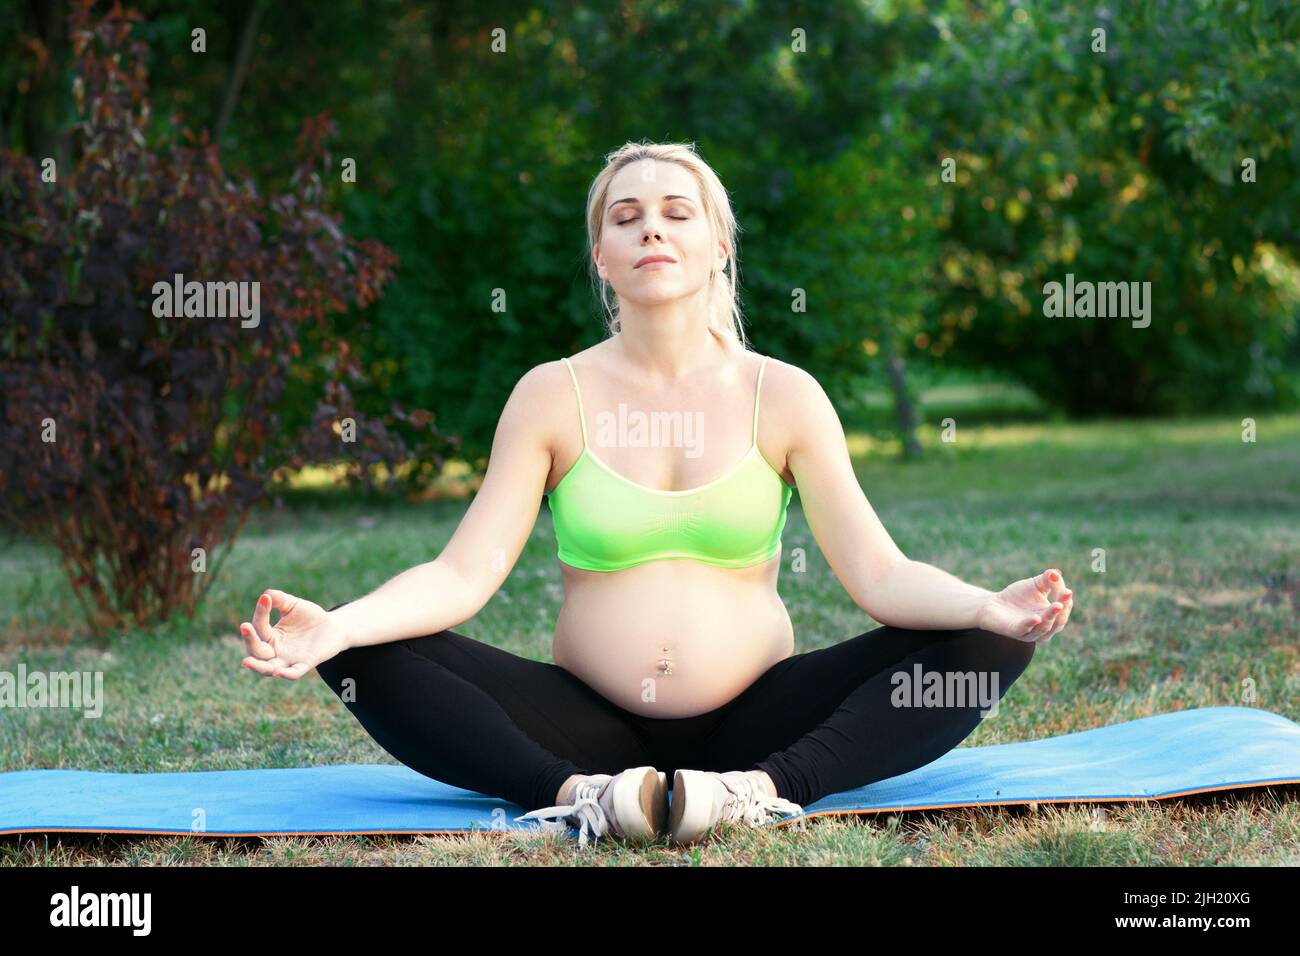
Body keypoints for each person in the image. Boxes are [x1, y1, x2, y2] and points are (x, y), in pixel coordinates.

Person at [237, 141, 1074, 848]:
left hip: (759, 725)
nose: (652, 229)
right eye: (626, 216)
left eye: (677, 212)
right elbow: (461, 576)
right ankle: (582, 799)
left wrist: (984, 606)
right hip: (584, 729)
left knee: (987, 645)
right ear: (601, 255)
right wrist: (341, 624)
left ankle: (760, 793)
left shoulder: (784, 395)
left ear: (719, 247)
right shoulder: (550, 395)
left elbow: (880, 575)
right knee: (363, 650)